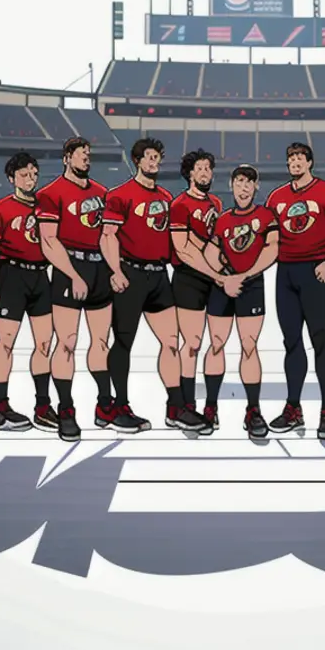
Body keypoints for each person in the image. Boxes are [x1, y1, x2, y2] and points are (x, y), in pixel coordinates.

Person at [102, 138, 206, 433]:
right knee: (123, 342)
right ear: (137, 160)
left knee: (171, 342)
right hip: (131, 274)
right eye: (149, 157)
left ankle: (175, 408)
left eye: (157, 158)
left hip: (159, 276)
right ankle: (119, 406)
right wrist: (115, 270)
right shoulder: (120, 195)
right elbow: (107, 236)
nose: (154, 162)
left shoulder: (165, 197)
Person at [0, 153, 77, 438]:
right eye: (24, 174)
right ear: (11, 178)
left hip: (40, 277)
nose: (30, 179)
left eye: (34, 174)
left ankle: (42, 405)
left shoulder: (46, 208)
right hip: (11, 276)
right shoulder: (0, 210)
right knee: (6, 342)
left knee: (45, 343)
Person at [264, 141, 325, 438]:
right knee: (291, 341)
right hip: (285, 272)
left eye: (301, 158)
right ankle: (294, 408)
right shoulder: (276, 197)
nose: (296, 162)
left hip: (315, 270)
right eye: (291, 159)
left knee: (320, 339)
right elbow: (268, 240)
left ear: (310, 162)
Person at [37, 137, 113, 427]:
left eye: (88, 154)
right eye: (81, 154)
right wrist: (73, 275)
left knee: (101, 341)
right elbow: (48, 240)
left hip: (99, 267)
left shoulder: (102, 193)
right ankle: (66, 409)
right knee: (67, 342)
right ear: (67, 157)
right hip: (70, 266)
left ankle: (104, 405)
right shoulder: (51, 193)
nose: (86, 158)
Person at [203, 165, 278, 438]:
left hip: (251, 286)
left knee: (249, 345)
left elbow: (272, 250)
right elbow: (210, 252)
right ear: (232, 186)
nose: (244, 187)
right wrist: (224, 278)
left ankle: (253, 410)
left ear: (256, 187)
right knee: (217, 344)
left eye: (249, 182)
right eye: (239, 182)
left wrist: (243, 276)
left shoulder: (265, 216)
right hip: (222, 286)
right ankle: (210, 407)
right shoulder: (222, 220)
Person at [168, 149, 226, 426]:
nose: (205, 173)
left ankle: (211, 406)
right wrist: (213, 271)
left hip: (214, 278)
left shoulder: (215, 202)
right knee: (191, 344)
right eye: (200, 168)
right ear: (189, 173)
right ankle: (185, 406)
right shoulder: (180, 205)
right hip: (189, 279)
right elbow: (183, 249)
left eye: (208, 168)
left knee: (217, 342)